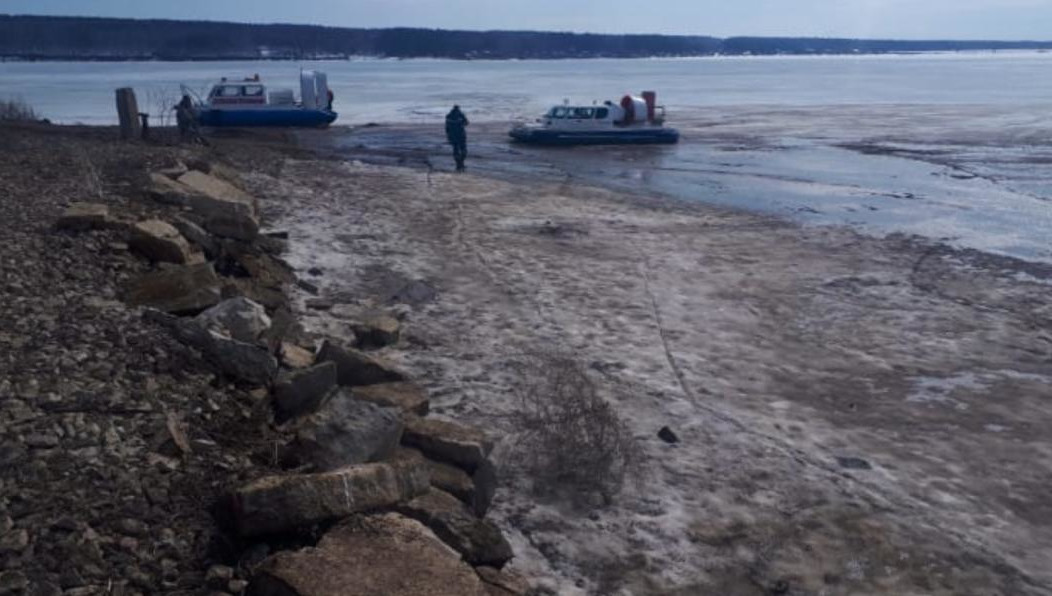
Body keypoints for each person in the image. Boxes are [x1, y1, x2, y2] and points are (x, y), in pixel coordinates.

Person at [445, 105, 469, 172]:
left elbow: (447, 127)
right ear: (458, 109)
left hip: (453, 135)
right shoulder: (461, 114)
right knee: (463, 149)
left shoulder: (448, 116)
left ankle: (458, 164)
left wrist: (448, 136)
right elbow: (466, 123)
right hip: (461, 134)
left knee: (456, 149)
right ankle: (461, 163)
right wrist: (460, 122)